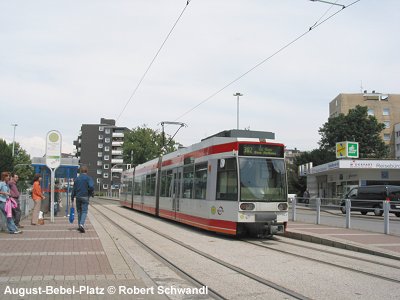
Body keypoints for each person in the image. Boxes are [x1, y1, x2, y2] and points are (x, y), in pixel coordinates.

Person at [71, 166, 94, 233]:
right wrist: (90, 192)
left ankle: (79, 225)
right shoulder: (88, 178)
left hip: (78, 197)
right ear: (87, 171)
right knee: (84, 211)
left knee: (79, 211)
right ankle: (81, 224)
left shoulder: (77, 179)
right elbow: (91, 186)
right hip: (85, 196)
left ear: (80, 171)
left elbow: (74, 189)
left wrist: (72, 197)